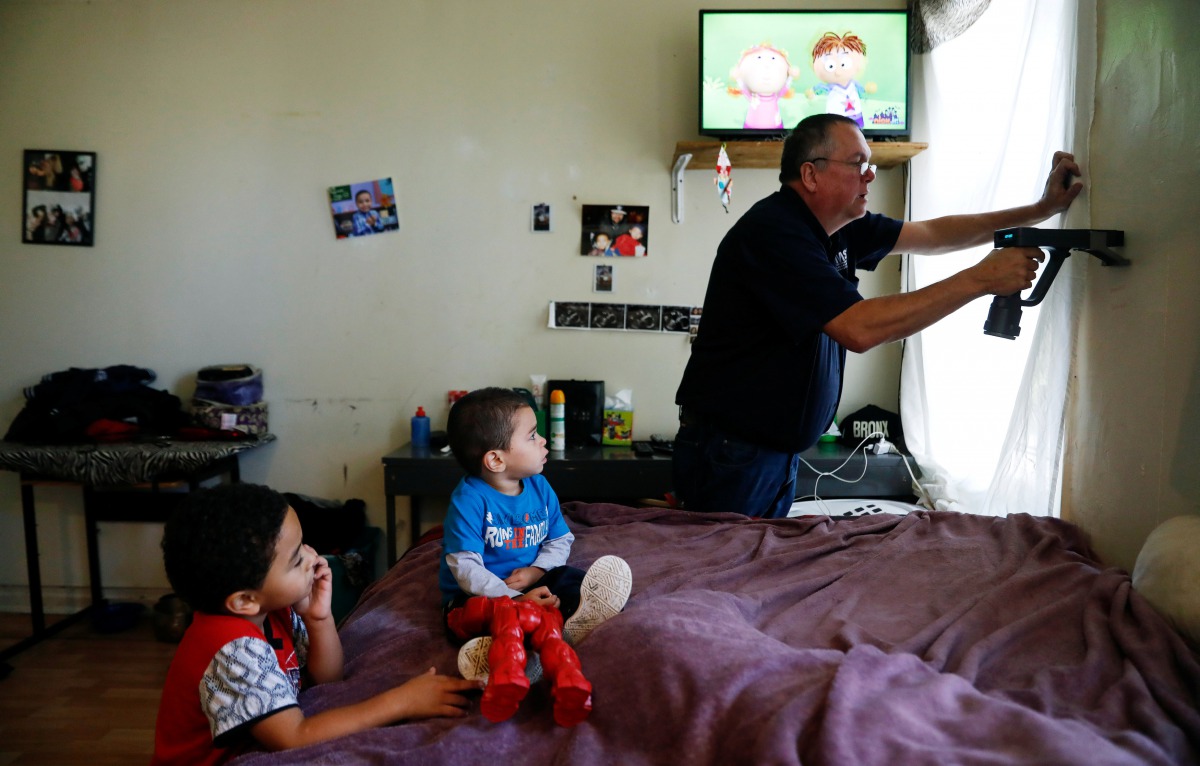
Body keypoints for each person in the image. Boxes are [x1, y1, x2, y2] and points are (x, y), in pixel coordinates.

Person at [673, 113, 1083, 519]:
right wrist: (980, 280)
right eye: (858, 164)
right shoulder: (775, 233)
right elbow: (859, 327)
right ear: (811, 175)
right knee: (724, 573)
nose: (870, 175)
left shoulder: (840, 228)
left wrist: (1039, 210)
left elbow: (936, 234)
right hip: (732, 453)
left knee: (750, 576)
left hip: (771, 454)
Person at [152, 483, 481, 765]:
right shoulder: (232, 649)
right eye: (297, 560)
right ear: (243, 601)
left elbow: (328, 678)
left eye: (303, 546)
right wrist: (401, 701)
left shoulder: (272, 608)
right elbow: (293, 737)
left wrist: (317, 618)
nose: (313, 557)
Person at [439, 387, 632, 725]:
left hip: (530, 580)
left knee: (570, 577)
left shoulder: (540, 487)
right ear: (496, 459)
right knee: (465, 615)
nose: (543, 441)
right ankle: (514, 644)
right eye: (532, 436)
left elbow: (561, 539)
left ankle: (571, 618)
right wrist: (516, 598)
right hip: (485, 593)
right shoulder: (469, 500)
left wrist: (535, 571)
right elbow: (466, 568)